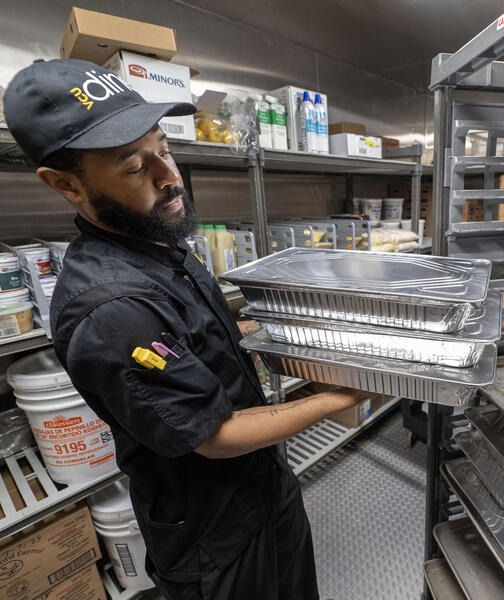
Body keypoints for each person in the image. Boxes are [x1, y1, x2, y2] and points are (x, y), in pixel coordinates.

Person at [3, 58, 366, 599]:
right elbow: (213, 438)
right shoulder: (112, 308)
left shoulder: (157, 241)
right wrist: (337, 396)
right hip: (212, 536)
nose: (170, 177)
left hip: (263, 485)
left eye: (164, 150)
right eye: (133, 166)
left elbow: (205, 335)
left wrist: (288, 330)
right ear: (66, 185)